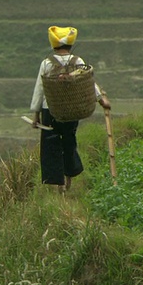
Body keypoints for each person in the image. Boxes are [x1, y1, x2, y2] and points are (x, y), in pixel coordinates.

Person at [30, 26, 111, 193]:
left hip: (50, 111)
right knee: (69, 142)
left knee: (51, 144)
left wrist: (35, 115)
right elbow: (87, 82)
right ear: (70, 45)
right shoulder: (78, 61)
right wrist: (101, 99)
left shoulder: (46, 63)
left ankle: (57, 185)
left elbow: (39, 89)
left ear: (53, 45)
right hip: (71, 110)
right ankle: (68, 181)